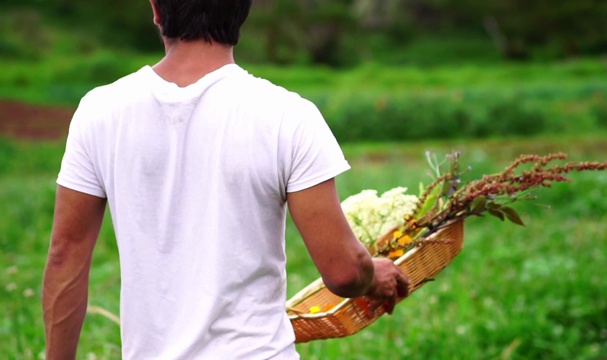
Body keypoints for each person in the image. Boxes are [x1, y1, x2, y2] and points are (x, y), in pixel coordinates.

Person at [42, 0, 410, 359]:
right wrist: (371, 275)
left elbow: (65, 256)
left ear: (156, 9)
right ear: (242, 11)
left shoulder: (101, 111)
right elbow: (344, 271)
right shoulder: (288, 116)